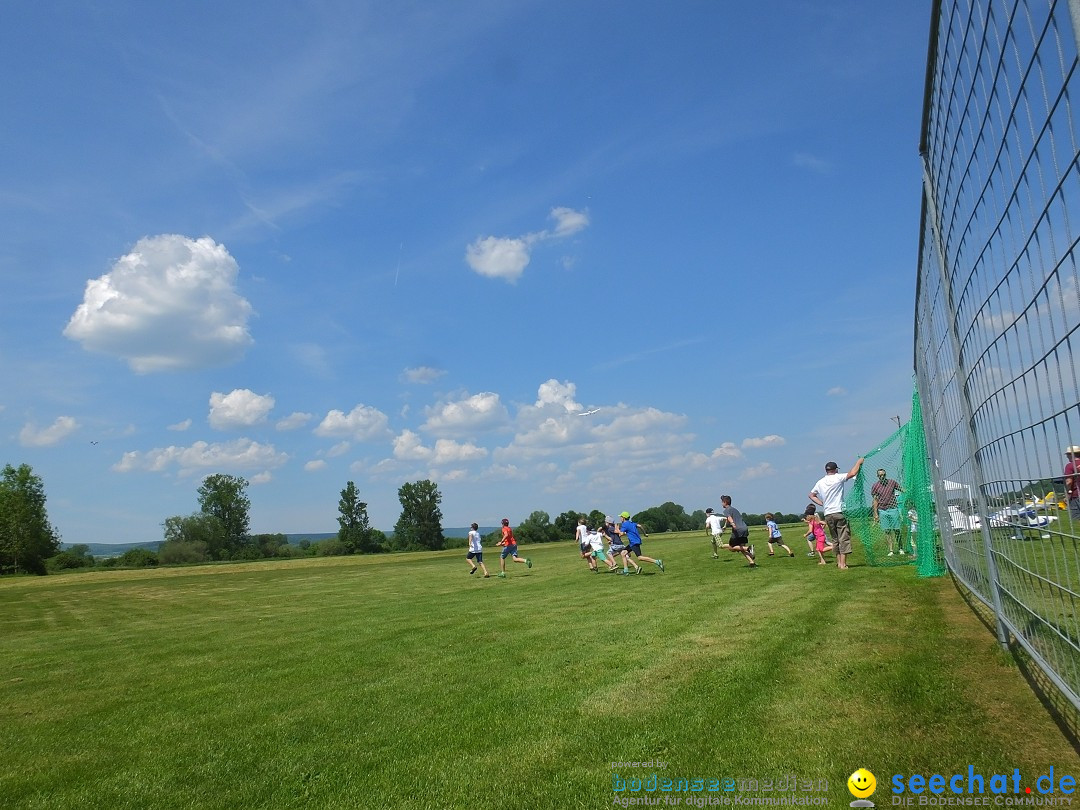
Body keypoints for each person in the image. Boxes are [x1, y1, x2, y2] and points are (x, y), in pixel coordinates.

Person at [809, 458, 864, 570]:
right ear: (835, 470)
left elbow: (811, 495)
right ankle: (843, 564)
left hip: (828, 514)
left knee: (835, 539)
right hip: (839, 511)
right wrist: (858, 462)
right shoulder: (838, 477)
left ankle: (839, 562)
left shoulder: (820, 482)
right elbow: (853, 473)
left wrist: (821, 503)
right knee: (843, 537)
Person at [871, 468, 905, 555]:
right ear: (877, 476)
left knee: (897, 529)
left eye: (883, 475)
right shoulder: (875, 486)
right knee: (887, 530)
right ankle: (891, 550)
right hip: (882, 510)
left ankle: (901, 548)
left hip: (893, 508)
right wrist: (875, 514)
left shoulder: (892, 482)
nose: (882, 476)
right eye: (880, 475)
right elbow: (875, 500)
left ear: (886, 475)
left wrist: (909, 490)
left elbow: (902, 489)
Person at [719, 495, 755, 567]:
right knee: (741, 548)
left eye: (722, 502)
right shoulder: (735, 509)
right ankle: (751, 562)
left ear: (725, 502)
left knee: (731, 547)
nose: (721, 504)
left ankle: (749, 548)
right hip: (744, 528)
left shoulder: (726, 510)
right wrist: (726, 525)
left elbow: (729, 518)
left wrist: (733, 524)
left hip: (737, 530)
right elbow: (730, 518)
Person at [1065, 446, 1080, 522]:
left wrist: (1068, 493)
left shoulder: (1070, 466)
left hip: (1076, 495)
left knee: (1076, 519)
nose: (1067, 457)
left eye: (1068, 455)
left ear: (1071, 455)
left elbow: (1069, 482)